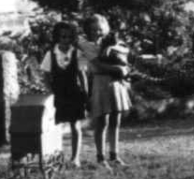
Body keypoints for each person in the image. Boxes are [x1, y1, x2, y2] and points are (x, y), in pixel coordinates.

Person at [79, 14, 132, 167]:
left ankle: (114, 155)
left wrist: (124, 69)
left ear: (106, 29)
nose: (97, 33)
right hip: (101, 82)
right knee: (102, 122)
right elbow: (99, 65)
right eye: (93, 30)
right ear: (88, 31)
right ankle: (100, 157)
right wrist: (118, 69)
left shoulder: (115, 44)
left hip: (116, 83)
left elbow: (125, 59)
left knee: (116, 120)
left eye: (100, 29)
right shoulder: (88, 46)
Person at [39, 20, 89, 167]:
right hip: (58, 93)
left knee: (75, 125)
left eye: (69, 37)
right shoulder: (50, 54)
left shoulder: (78, 53)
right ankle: (55, 156)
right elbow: (46, 76)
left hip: (74, 92)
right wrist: (50, 93)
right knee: (56, 126)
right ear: (57, 37)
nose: (66, 40)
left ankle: (75, 158)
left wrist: (86, 93)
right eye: (62, 37)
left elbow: (82, 75)